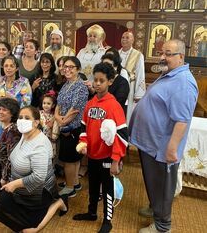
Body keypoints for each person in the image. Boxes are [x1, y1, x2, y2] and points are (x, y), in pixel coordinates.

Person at [129, 40, 198, 233]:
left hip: (162, 148)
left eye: (168, 54)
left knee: (162, 187)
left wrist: (171, 148)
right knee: (154, 182)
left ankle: (162, 226)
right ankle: (154, 208)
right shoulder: (169, 74)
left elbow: (182, 120)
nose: (162, 57)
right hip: (150, 143)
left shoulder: (183, 83)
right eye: (162, 53)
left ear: (181, 57)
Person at [73, 62, 128, 233]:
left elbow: (122, 135)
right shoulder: (90, 103)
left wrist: (116, 160)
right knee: (93, 185)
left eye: (101, 81)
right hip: (92, 155)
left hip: (107, 157)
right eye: (95, 80)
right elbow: (84, 127)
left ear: (110, 82)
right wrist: (83, 144)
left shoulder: (114, 106)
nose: (97, 83)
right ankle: (91, 212)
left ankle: (107, 219)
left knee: (107, 188)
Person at [0, 106, 68, 232]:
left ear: (36, 122)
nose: (22, 121)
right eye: (20, 118)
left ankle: (58, 203)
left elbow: (39, 177)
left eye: (27, 118)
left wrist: (15, 184)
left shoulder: (40, 145)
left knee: (30, 230)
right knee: (0, 204)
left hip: (40, 190)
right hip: (22, 185)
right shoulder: (25, 135)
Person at [55, 56, 89, 197]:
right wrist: (57, 117)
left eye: (71, 67)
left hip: (73, 127)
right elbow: (59, 104)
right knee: (72, 158)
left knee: (70, 159)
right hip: (64, 124)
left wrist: (63, 122)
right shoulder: (66, 84)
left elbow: (75, 109)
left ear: (78, 69)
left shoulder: (80, 86)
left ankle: (70, 188)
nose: (67, 69)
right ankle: (74, 182)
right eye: (65, 67)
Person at [118, 31, 146, 125]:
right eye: (122, 37)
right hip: (116, 86)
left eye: (127, 37)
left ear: (132, 40)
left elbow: (140, 73)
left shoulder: (138, 55)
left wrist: (139, 94)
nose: (124, 39)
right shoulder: (116, 53)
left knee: (127, 111)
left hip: (130, 87)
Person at [40, 91, 59, 158]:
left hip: (50, 140)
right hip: (40, 140)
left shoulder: (54, 116)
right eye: (44, 103)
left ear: (53, 105)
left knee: (49, 157)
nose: (45, 105)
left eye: (48, 103)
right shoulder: (39, 114)